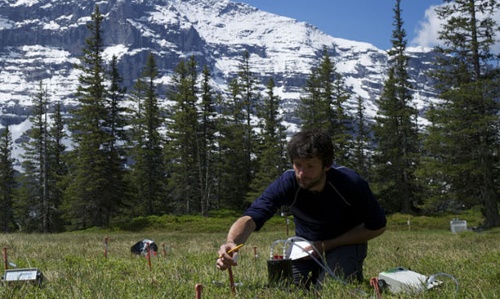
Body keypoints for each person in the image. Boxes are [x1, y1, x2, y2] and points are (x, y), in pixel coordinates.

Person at [216, 129, 386, 289]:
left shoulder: (351, 184)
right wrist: (231, 243)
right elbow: (251, 218)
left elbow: (377, 226)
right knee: (290, 288)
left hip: (345, 242)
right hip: (304, 245)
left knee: (329, 289)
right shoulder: (287, 183)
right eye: (298, 165)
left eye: (310, 166)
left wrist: (326, 245)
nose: (302, 173)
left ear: (326, 165)